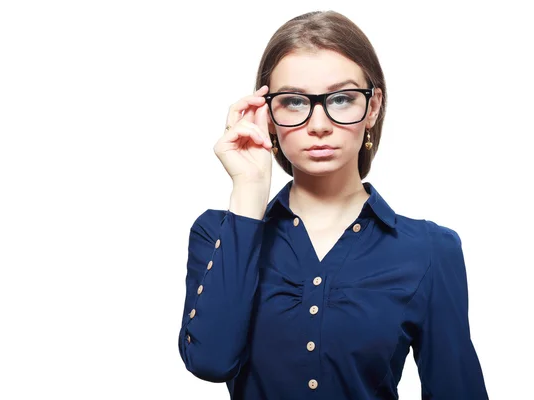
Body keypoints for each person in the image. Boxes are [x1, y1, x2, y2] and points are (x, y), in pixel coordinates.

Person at [178, 10, 488, 399]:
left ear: (372, 107)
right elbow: (210, 361)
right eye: (293, 101)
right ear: (268, 115)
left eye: (341, 99)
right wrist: (249, 189)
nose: (318, 123)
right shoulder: (218, 234)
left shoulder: (429, 249)